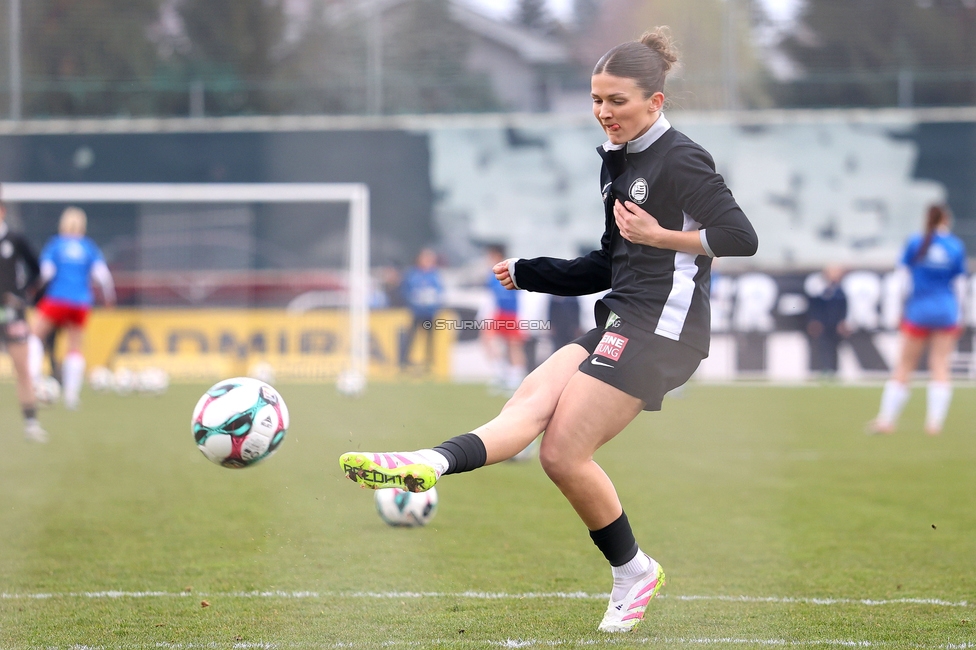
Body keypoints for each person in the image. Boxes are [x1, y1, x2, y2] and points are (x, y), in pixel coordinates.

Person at [338, 28, 758, 633]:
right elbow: (609, 262)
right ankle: (428, 462)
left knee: (563, 453)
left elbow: (741, 237)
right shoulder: (620, 163)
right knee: (527, 408)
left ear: (655, 103)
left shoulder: (681, 159)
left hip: (662, 333)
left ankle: (634, 571)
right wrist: (531, 272)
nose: (603, 112)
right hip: (620, 320)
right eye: (596, 99)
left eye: (617, 100)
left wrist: (660, 237)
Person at [868, 204, 967, 436]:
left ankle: (887, 420)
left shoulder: (915, 242)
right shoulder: (955, 246)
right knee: (940, 365)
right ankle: (934, 423)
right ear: (947, 220)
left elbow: (900, 279)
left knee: (904, 365)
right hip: (946, 311)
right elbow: (960, 284)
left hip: (918, 311)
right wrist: (960, 314)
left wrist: (895, 311)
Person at [28, 207, 115, 410]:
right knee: (74, 347)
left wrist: (35, 288)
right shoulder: (88, 247)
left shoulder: (56, 244)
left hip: (57, 299)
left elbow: (47, 272)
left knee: (34, 335)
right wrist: (109, 297)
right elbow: (102, 275)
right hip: (80, 302)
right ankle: (71, 396)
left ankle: (32, 381)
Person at [0, 198, 47, 442]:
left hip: (11, 313)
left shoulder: (15, 240)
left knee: (22, 368)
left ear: (3, 211)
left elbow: (38, 271)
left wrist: (25, 296)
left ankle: (31, 423)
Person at [482, 244, 527, 393]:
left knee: (513, 345)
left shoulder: (510, 270)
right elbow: (491, 297)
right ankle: (500, 374)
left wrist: (524, 317)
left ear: (497, 256)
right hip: (499, 313)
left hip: (512, 313)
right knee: (488, 341)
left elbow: (522, 295)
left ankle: (516, 378)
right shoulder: (491, 275)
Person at [398, 248, 443, 373]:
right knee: (411, 338)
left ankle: (429, 363)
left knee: (429, 339)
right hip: (417, 312)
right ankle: (404, 363)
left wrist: (434, 301)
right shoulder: (412, 274)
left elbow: (440, 292)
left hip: (429, 313)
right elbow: (405, 291)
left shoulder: (434, 275)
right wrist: (413, 300)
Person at [805, 265, 849, 377]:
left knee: (836, 347)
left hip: (835, 323)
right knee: (823, 347)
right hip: (823, 324)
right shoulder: (819, 288)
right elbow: (815, 307)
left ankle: (834, 369)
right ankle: (825, 368)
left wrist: (842, 321)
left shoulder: (841, 290)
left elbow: (843, 307)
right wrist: (815, 321)